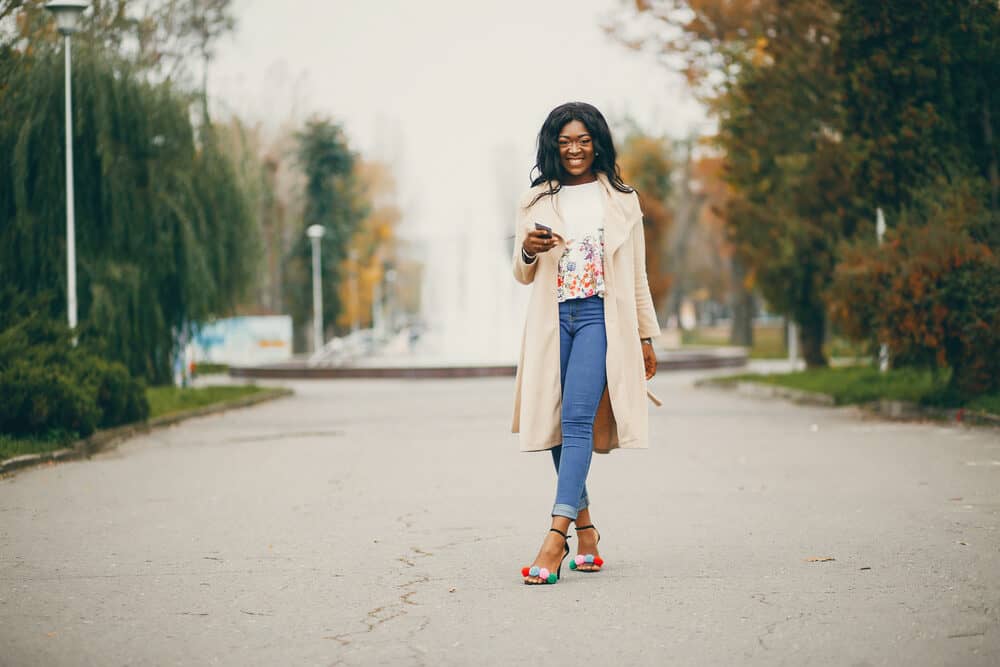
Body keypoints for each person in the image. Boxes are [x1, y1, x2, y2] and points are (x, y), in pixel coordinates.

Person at [513, 102, 660, 585]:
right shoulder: (537, 199)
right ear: (553, 147)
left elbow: (636, 273)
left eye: (583, 140)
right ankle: (588, 530)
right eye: (564, 142)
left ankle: (555, 539)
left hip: (600, 316)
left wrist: (644, 335)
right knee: (557, 422)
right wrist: (528, 250)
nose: (574, 150)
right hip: (553, 319)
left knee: (576, 419)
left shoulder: (621, 198)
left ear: (597, 142)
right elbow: (521, 271)